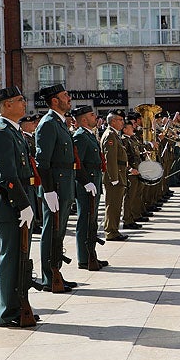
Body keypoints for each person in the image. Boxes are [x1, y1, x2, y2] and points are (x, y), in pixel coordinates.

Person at [0, 86, 38, 328]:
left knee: (20, 256)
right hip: (9, 203)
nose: (24, 103)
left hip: (19, 199)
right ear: (7, 105)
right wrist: (22, 204)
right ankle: (7, 312)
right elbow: (7, 174)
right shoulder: (1, 133)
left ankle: (18, 304)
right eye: (19, 100)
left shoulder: (13, 131)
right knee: (11, 257)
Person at [35, 83, 77, 292]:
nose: (69, 98)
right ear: (54, 101)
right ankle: (49, 276)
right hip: (56, 185)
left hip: (65, 183)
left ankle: (56, 272)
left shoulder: (60, 123)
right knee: (51, 231)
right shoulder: (48, 124)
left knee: (59, 231)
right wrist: (49, 190)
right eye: (64, 95)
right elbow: (42, 162)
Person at [71, 105, 107, 270]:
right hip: (87, 184)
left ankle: (91, 254)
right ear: (84, 119)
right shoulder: (80, 137)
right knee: (85, 220)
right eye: (92, 115)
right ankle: (84, 258)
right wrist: (86, 182)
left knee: (91, 220)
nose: (95, 117)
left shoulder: (89, 135)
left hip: (94, 181)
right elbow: (78, 164)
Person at [100, 110, 129, 242]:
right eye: (120, 120)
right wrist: (114, 178)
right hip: (115, 176)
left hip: (119, 174)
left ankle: (114, 230)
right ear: (113, 121)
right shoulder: (110, 135)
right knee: (112, 205)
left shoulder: (114, 135)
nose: (122, 122)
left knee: (116, 205)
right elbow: (110, 158)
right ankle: (111, 232)